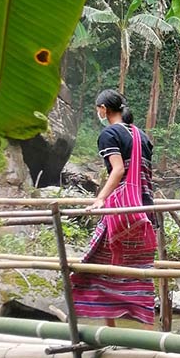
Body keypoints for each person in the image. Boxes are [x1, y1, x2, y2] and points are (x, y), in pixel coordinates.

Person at [69, 89, 157, 325]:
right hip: (147, 210)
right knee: (138, 274)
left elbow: (118, 170)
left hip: (123, 212)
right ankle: (151, 336)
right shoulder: (142, 136)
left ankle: (109, 331)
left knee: (96, 268)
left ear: (103, 109)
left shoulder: (109, 134)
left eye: (97, 108)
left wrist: (100, 199)